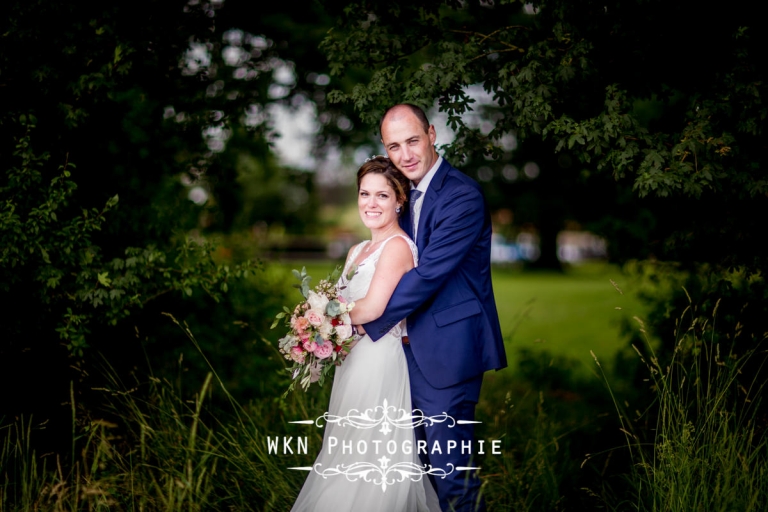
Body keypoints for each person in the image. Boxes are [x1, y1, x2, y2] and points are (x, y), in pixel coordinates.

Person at [358, 104, 507, 512]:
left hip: (447, 352)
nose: (405, 154)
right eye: (394, 146)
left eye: (412, 141)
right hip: (399, 356)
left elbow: (427, 276)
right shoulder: (400, 197)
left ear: (432, 133)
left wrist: (360, 318)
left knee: (451, 476)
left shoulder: (462, 196)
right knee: (411, 476)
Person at [291, 157, 436, 512]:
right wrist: (319, 323)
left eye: (382, 195)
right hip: (351, 361)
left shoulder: (397, 247)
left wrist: (321, 321)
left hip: (378, 361)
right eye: (364, 194)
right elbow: (342, 302)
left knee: (371, 452)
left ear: (399, 199)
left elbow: (371, 308)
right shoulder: (357, 250)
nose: (371, 203)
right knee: (344, 447)